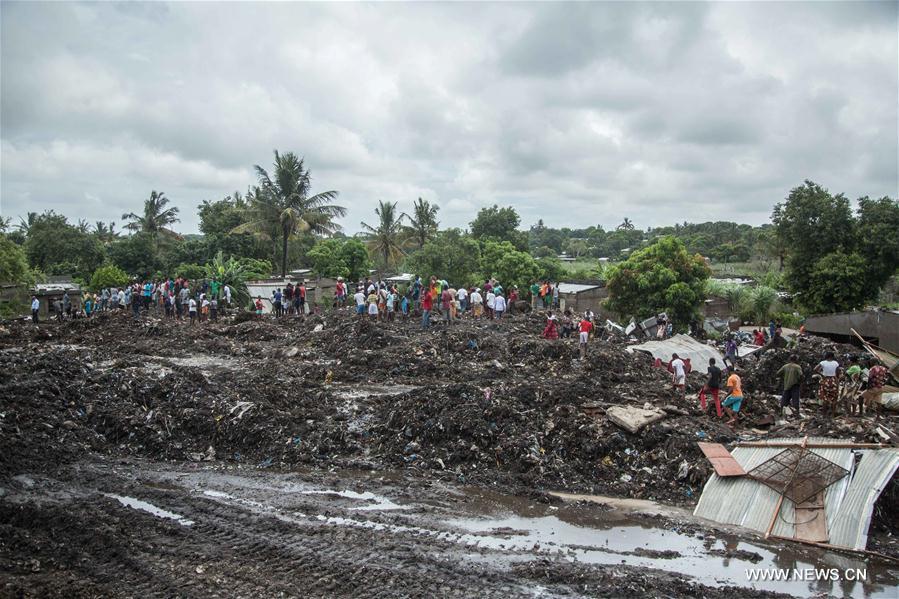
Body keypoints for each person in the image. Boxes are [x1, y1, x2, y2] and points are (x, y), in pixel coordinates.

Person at [814, 351, 841, 417]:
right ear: (832, 356)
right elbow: (837, 373)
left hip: (825, 380)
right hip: (833, 380)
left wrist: (822, 375)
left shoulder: (823, 362)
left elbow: (815, 369)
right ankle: (832, 414)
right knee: (834, 398)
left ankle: (824, 415)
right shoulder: (836, 363)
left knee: (825, 398)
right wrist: (837, 381)